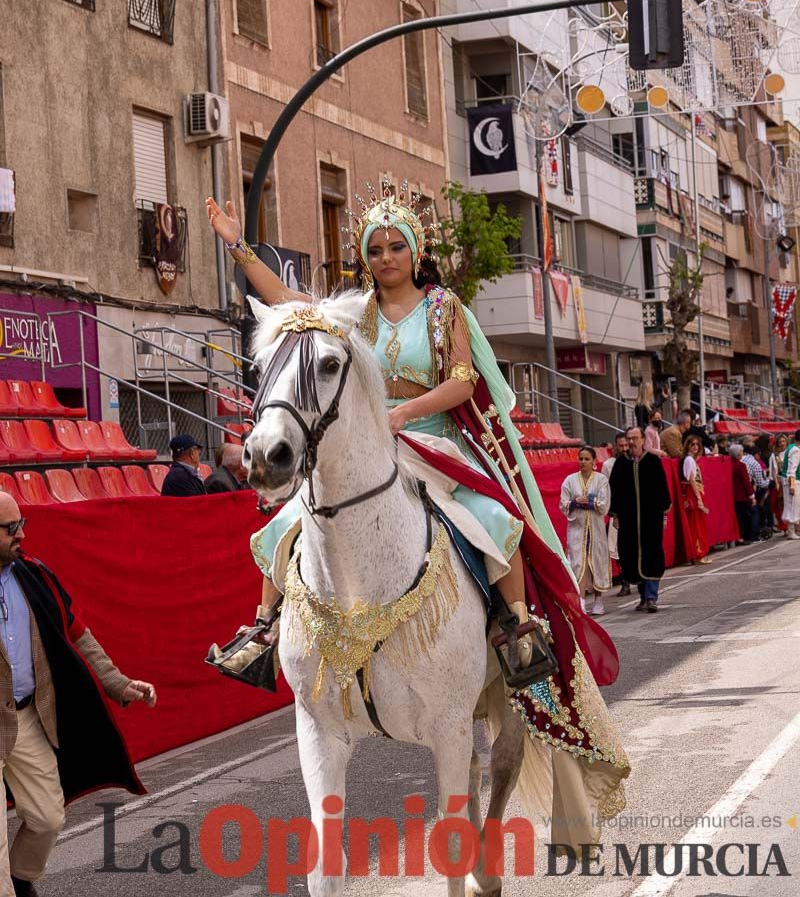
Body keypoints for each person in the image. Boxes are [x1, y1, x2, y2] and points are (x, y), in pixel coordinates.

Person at [207, 188, 630, 834]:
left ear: (416, 250)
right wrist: (238, 245)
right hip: (373, 445)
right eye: (374, 249)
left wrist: (405, 410)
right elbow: (291, 307)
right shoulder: (354, 313)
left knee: (496, 521)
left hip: (434, 440)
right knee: (287, 525)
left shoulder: (442, 307)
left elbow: (464, 381)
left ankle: (517, 627)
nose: (385, 257)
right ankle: (264, 627)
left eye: (396, 245)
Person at [0, 492, 156, 896]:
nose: (21, 534)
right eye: (10, 528)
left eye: (22, 524)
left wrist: (119, 683)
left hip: (24, 718)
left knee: (48, 818)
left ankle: (21, 876)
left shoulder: (34, 575)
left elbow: (79, 636)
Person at [609, 425, 671, 612]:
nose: (632, 442)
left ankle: (652, 597)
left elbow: (662, 489)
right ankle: (643, 596)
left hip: (650, 519)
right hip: (628, 520)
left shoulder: (652, 461)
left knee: (651, 554)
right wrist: (615, 514)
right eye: (629, 438)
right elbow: (614, 490)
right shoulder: (621, 464)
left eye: (635, 438)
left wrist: (663, 514)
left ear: (643, 440)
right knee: (632, 555)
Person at [559, 447, 612, 616]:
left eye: (587, 459)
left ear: (594, 461)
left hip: (595, 530)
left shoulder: (601, 480)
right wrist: (575, 502)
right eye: (581, 458)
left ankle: (598, 601)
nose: (583, 462)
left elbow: (603, 504)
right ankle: (581, 600)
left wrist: (588, 502)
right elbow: (563, 503)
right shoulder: (570, 480)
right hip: (577, 530)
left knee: (597, 562)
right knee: (577, 562)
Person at [602, 433, 630, 596]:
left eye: (626, 445)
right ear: (615, 446)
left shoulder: (635, 461)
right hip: (618, 511)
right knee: (618, 547)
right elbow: (606, 489)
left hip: (633, 511)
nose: (624, 448)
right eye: (621, 445)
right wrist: (613, 513)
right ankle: (625, 581)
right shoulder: (608, 465)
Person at [681, 435, 712, 564]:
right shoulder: (689, 460)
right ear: (687, 445)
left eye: (697, 444)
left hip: (696, 492)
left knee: (698, 524)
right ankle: (698, 554)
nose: (695, 447)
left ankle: (698, 553)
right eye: (692, 444)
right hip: (693, 494)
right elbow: (692, 479)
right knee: (696, 525)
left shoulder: (691, 459)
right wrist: (698, 498)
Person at [729, 442, 758, 544]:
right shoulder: (741, 465)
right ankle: (741, 537)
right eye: (741, 451)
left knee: (736, 517)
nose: (742, 453)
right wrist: (752, 496)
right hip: (741, 496)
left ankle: (736, 537)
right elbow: (746, 482)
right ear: (738, 453)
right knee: (742, 518)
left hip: (730, 495)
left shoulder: (727, 464)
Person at [741, 437, 769, 537]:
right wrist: (769, 481)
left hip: (738, 491)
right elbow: (761, 483)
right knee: (754, 511)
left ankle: (746, 535)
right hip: (749, 490)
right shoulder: (755, 463)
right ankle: (754, 535)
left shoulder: (741, 459)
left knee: (743, 514)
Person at [779, 429, 800, 540]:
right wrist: (792, 486)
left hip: (791, 481)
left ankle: (796, 530)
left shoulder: (791, 447)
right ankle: (792, 532)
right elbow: (792, 470)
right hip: (793, 481)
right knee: (793, 506)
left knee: (793, 506)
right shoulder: (796, 450)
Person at [768, 432, 789, 530]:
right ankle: (783, 525)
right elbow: (773, 470)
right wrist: (776, 482)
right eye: (780, 442)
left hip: (790, 479)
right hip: (779, 481)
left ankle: (789, 525)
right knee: (776, 504)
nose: (782, 443)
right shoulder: (774, 455)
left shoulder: (791, 452)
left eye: (784, 441)